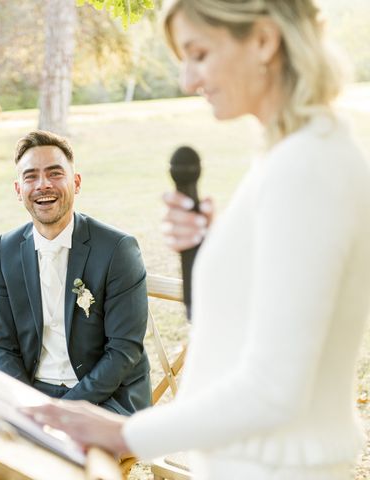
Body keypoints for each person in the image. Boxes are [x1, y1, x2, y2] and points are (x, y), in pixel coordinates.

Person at [26, 1, 370, 479]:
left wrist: (123, 434)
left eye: (199, 54)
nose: (188, 80)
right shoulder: (294, 154)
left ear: (265, 40)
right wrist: (214, 257)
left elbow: (275, 389)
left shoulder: (307, 167)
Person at [0, 130, 152, 480]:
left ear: (75, 181)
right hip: (30, 395)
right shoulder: (5, 249)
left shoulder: (117, 249)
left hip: (106, 399)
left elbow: (123, 351)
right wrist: (26, 407)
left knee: (54, 466)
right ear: (19, 191)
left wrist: (62, 413)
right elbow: (0, 344)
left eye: (55, 173)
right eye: (31, 176)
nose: (43, 184)